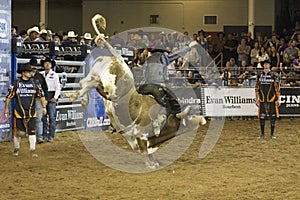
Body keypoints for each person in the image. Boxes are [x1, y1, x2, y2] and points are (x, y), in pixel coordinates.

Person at [3, 64, 47, 157]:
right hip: (19, 112)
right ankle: (16, 148)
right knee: (18, 133)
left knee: (32, 131)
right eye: (29, 71)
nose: (31, 73)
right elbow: (9, 97)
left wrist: (44, 107)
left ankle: (33, 150)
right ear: (23, 73)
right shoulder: (16, 83)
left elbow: (41, 96)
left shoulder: (35, 83)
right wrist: (6, 109)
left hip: (32, 112)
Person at [255, 59, 280, 139]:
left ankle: (272, 134)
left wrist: (278, 99)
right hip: (262, 99)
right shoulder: (259, 76)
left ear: (269, 65)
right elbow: (256, 89)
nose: (266, 65)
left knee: (272, 116)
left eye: (267, 64)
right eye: (265, 64)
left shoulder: (274, 75)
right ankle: (262, 134)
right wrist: (257, 99)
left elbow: (277, 88)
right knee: (262, 116)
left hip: (271, 99)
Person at [40, 57, 61, 142]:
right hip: (43, 96)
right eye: (46, 63)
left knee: (52, 117)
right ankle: (45, 135)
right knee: (43, 118)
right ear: (44, 65)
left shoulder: (55, 75)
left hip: (51, 96)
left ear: (51, 65)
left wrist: (55, 97)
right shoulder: (40, 74)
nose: (47, 64)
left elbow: (58, 87)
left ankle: (51, 135)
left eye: (49, 63)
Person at [29, 58, 49, 143]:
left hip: (37, 99)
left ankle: (39, 137)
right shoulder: (27, 76)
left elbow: (45, 89)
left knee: (38, 119)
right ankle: (32, 135)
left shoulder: (40, 76)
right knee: (30, 118)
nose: (34, 67)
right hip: (29, 99)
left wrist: (46, 100)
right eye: (33, 66)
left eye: (35, 66)